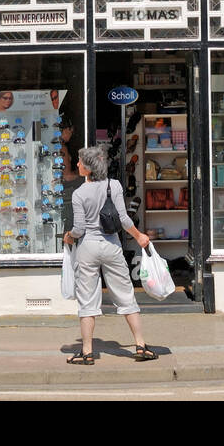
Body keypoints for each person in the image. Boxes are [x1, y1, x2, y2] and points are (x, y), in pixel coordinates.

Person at [63, 144, 158, 365]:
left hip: (88, 248)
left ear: (88, 167)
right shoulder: (113, 185)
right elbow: (124, 219)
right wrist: (139, 236)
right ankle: (141, 345)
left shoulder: (78, 194)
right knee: (126, 295)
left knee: (87, 300)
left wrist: (68, 236)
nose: (77, 164)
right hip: (112, 246)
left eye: (80, 162)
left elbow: (78, 229)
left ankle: (87, 352)